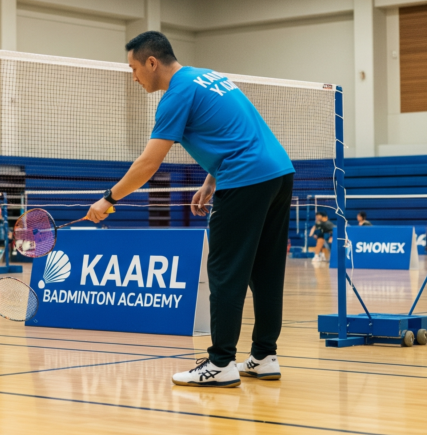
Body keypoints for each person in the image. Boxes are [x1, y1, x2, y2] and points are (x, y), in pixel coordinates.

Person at [84, 31, 294, 388]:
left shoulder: (175, 95)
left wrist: (109, 198)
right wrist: (212, 179)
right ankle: (263, 357)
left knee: (225, 273)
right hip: (278, 172)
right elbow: (237, 130)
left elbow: (149, 163)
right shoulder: (208, 76)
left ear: (152, 63)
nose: (133, 77)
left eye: (134, 68)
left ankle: (220, 363)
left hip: (244, 179)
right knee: (266, 270)